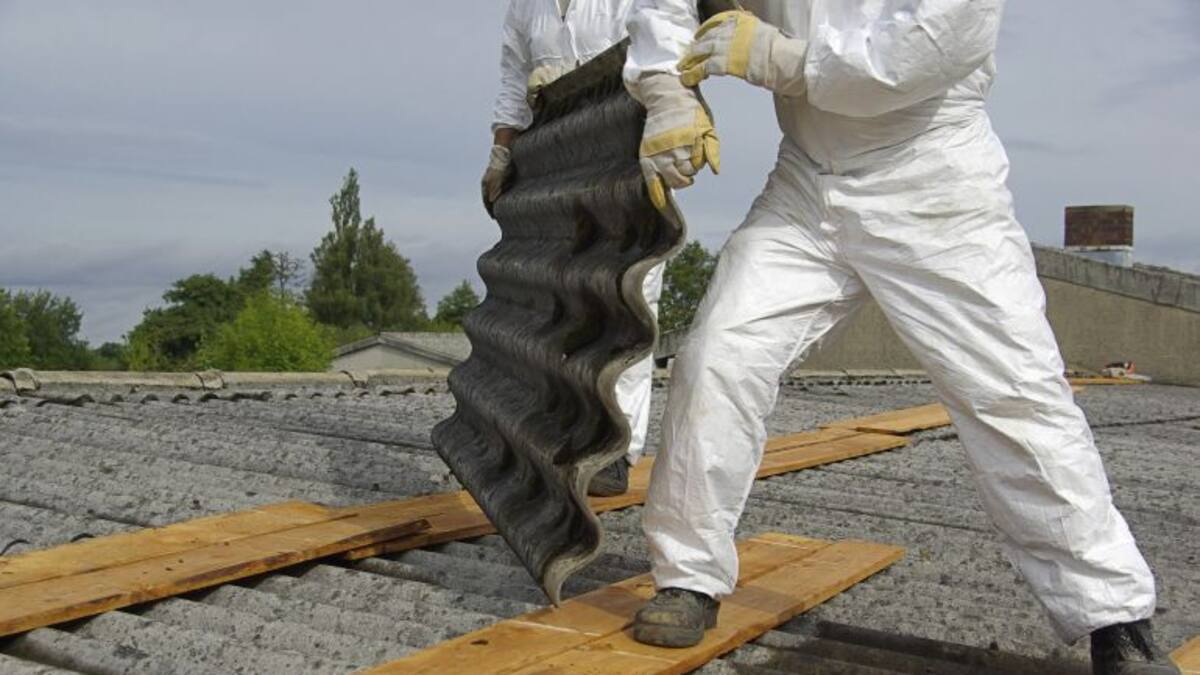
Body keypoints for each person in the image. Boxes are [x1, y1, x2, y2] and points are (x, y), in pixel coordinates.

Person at [621, 2, 1180, 673]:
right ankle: (688, 576)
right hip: (806, 183)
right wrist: (667, 91)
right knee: (718, 356)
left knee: (1012, 394)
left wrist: (776, 57)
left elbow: (919, 52)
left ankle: (1114, 617)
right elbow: (669, 5)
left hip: (932, 180)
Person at [484, 0, 660, 497]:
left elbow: (664, 52)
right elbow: (513, 80)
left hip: (628, 152)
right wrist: (501, 152)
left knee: (628, 297)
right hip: (557, 159)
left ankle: (617, 448)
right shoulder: (527, 7)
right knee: (561, 296)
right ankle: (562, 432)